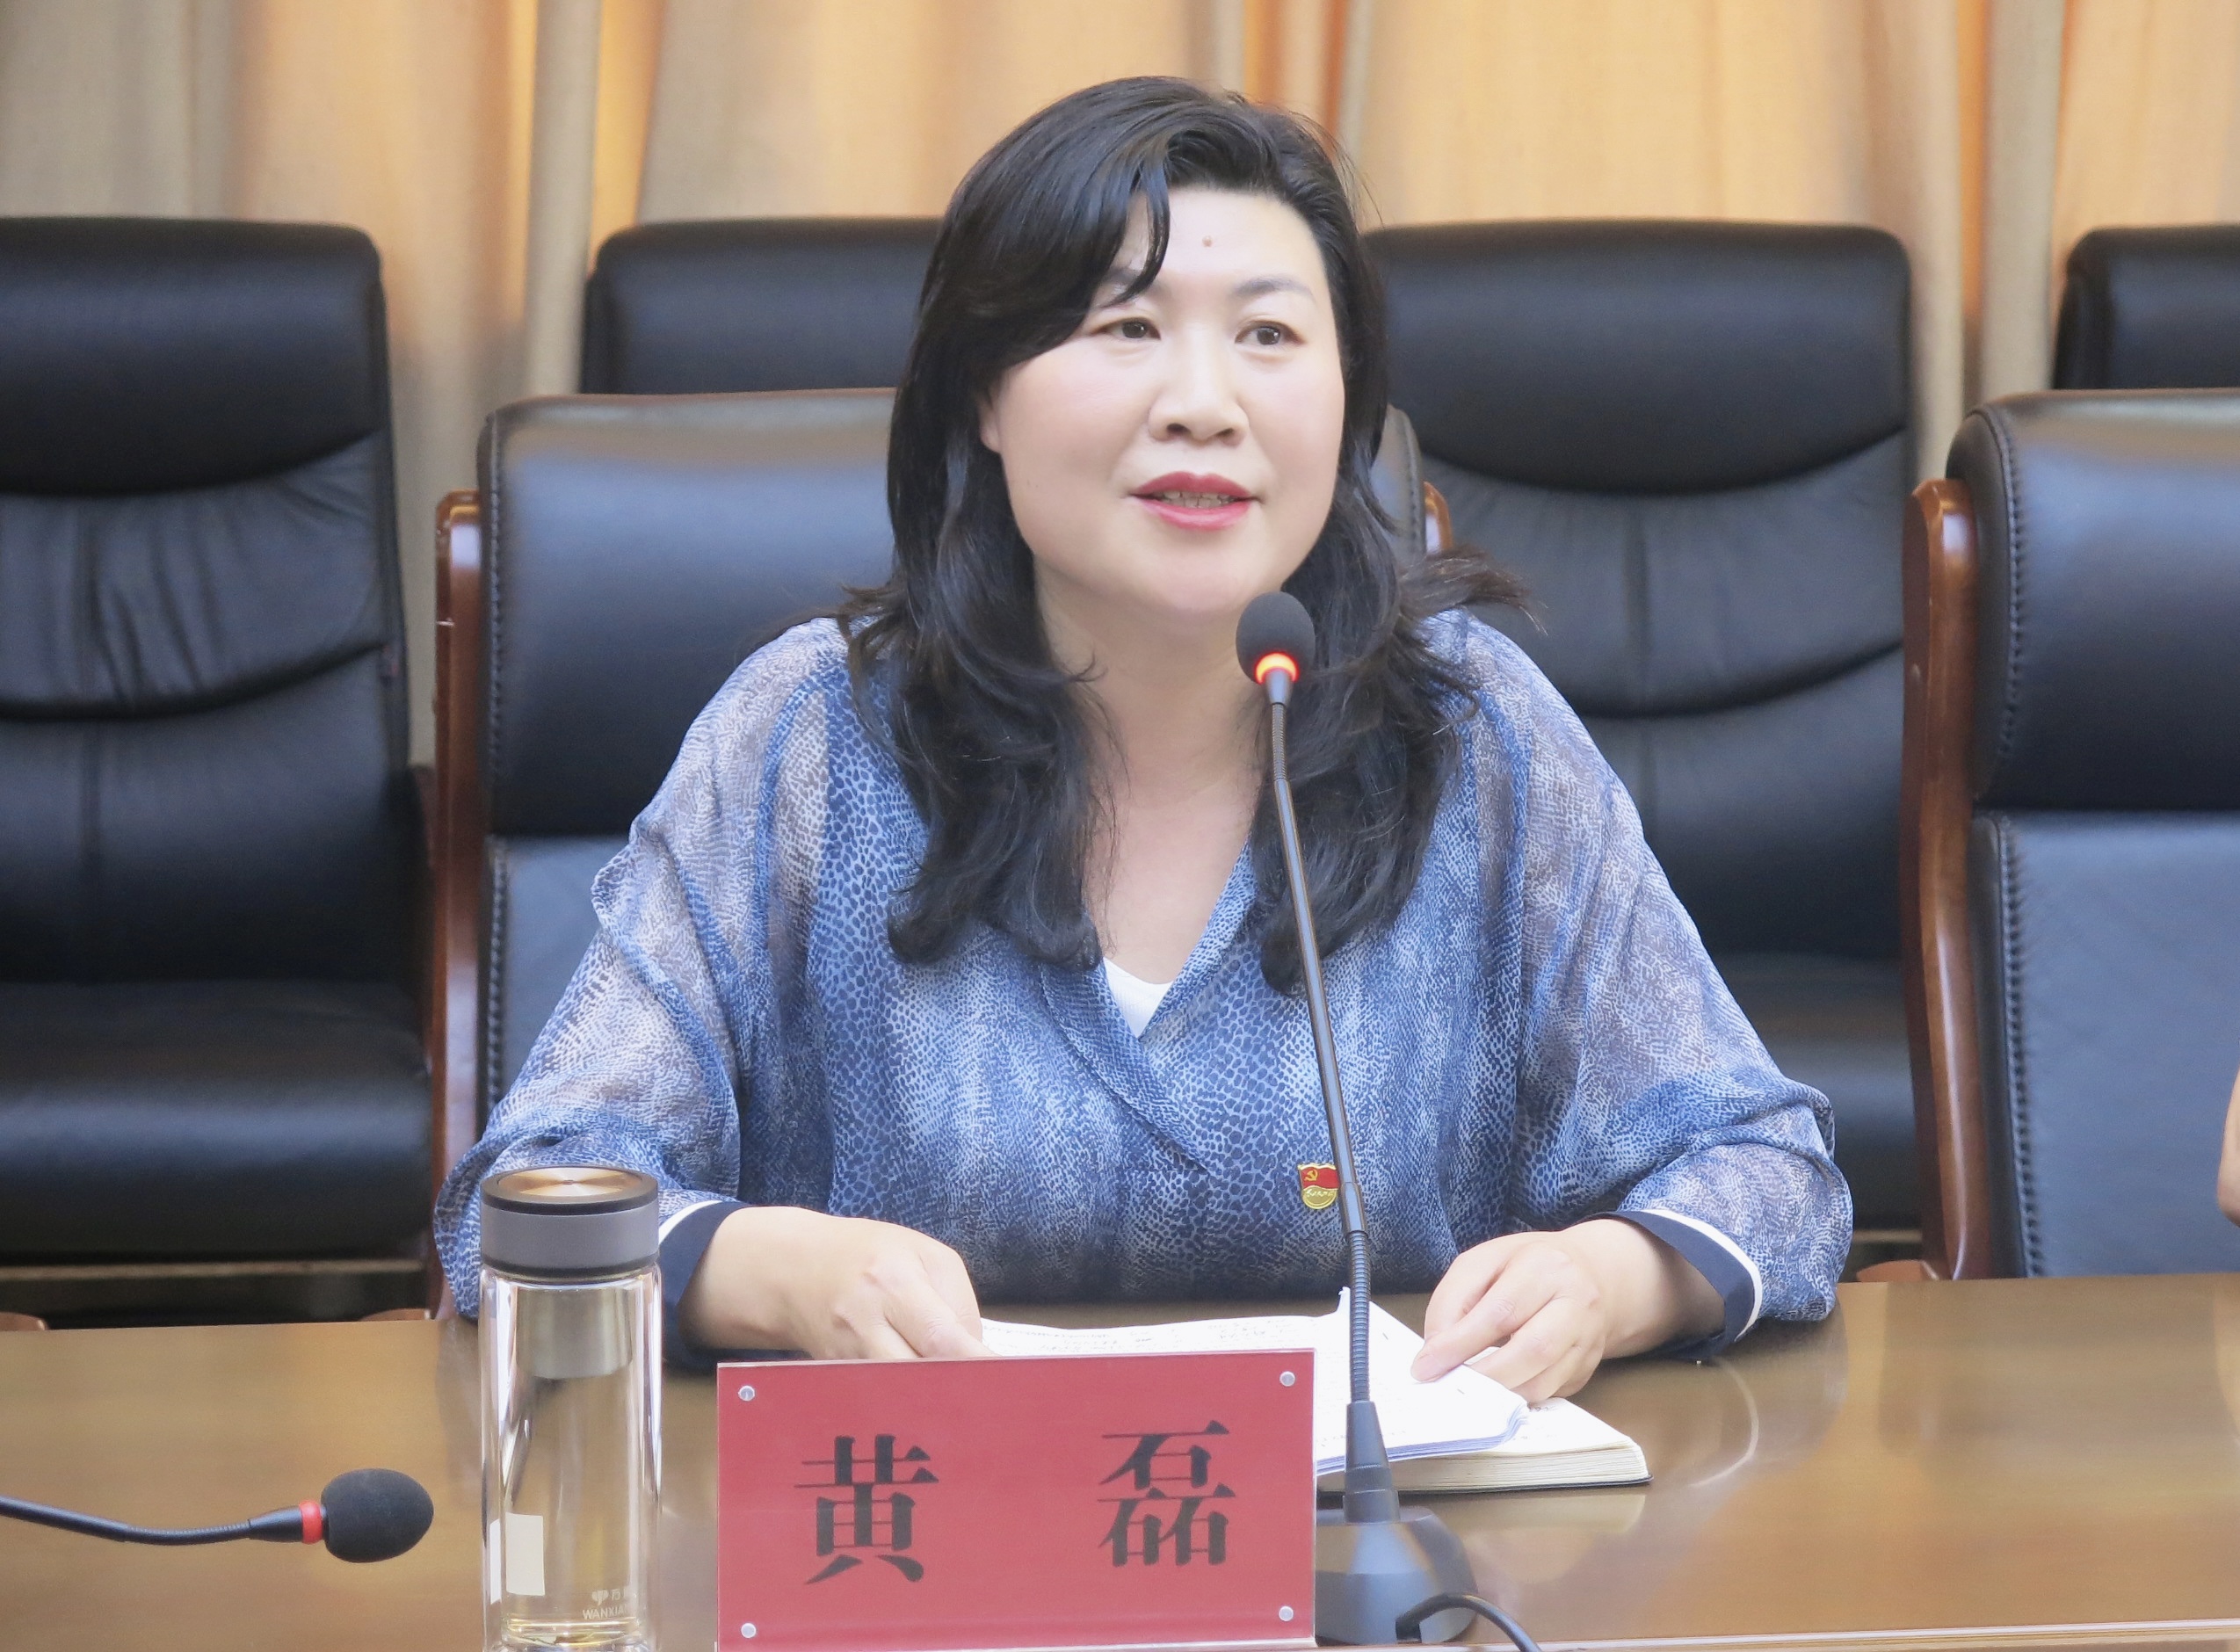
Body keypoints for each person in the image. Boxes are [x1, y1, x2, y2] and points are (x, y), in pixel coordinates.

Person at [435, 76, 1850, 1401]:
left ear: (1347, 402)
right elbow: (522, 1202)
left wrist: (1611, 1278)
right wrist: (767, 1271)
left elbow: (1765, 1166)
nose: (1203, 404)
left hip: (1374, 1532)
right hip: (922, 1527)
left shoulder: (1465, 732)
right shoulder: (813, 735)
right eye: (1125, 328)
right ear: (982, 395)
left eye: (1269, 336)